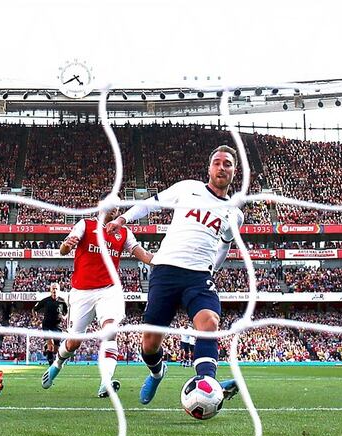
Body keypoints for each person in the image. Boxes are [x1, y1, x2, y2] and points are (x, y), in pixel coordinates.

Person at [105, 145, 244, 404]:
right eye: (217, 162)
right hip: (166, 270)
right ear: (209, 168)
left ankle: (208, 384)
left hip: (198, 277)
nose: (222, 167)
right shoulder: (186, 188)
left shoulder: (234, 214)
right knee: (149, 344)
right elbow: (149, 205)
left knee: (209, 322)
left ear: (235, 171)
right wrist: (122, 220)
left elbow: (225, 244)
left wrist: (213, 268)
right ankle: (157, 373)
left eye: (227, 163)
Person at [41, 204, 154, 397]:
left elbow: (142, 254)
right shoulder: (85, 224)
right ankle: (57, 364)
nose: (116, 210)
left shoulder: (124, 233)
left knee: (110, 331)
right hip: (81, 292)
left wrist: (166, 261)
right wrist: (67, 245)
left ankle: (106, 382)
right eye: (112, 206)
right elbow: (63, 250)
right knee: (74, 342)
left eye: (119, 207)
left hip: (109, 290)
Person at [33, 282, 68, 366]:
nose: (55, 290)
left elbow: (66, 312)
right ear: (50, 290)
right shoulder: (46, 300)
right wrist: (36, 319)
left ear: (59, 290)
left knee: (55, 349)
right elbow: (34, 309)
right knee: (50, 345)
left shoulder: (62, 301)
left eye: (56, 289)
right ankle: (51, 366)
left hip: (57, 326)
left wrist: (64, 317)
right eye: (53, 288)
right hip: (47, 325)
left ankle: (46, 348)